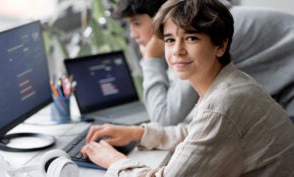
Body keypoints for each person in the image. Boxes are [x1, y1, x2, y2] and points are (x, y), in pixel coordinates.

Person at [81, 0, 294, 176]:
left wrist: (115, 161)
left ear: (221, 46)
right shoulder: (230, 83)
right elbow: (201, 132)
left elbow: (210, 122)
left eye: (191, 38)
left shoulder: (222, 104)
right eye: (170, 40)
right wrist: (140, 133)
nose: (177, 51)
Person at [113, 0, 294, 126]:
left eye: (136, 23)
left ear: (162, 15)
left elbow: (165, 116)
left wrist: (151, 59)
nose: (133, 34)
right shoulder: (206, 23)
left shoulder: (206, 35)